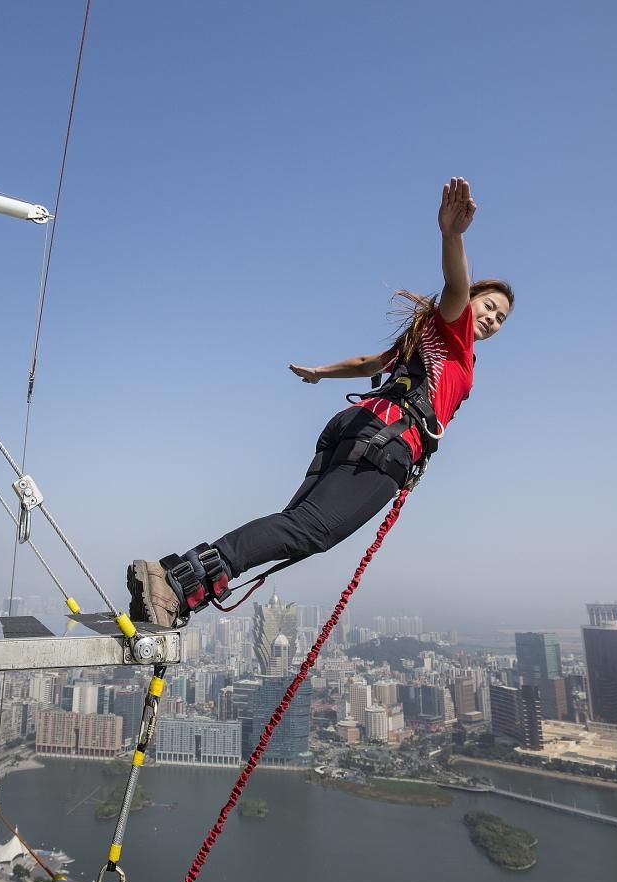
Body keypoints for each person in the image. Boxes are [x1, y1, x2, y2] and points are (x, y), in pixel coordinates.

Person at [127, 177, 514, 627]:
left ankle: (182, 588)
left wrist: (320, 372)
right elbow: (454, 285)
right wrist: (452, 236)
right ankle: (174, 580)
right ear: (471, 301)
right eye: (487, 306)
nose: (490, 318)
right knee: (312, 529)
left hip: (356, 429)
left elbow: (369, 362)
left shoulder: (423, 339)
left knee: (297, 524)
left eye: (501, 319)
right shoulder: (456, 336)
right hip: (386, 443)